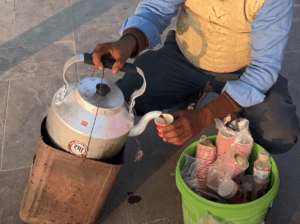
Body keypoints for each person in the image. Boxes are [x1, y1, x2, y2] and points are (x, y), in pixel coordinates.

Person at [92, 0, 300, 153]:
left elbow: (263, 69)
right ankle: (189, 94)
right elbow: (155, 9)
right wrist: (129, 40)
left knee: (279, 135)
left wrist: (207, 115)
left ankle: (232, 104)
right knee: (125, 100)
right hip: (183, 58)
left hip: (242, 72)